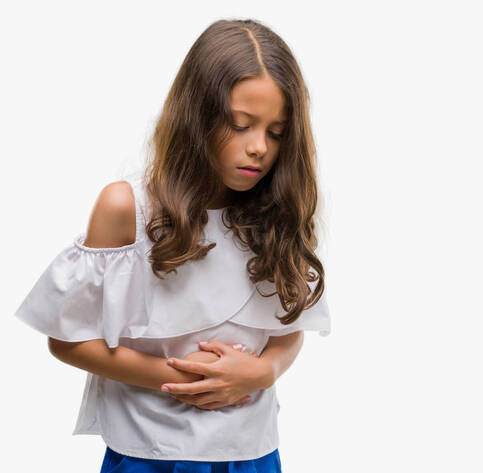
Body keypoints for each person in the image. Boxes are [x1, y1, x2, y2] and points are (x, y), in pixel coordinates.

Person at [13, 18, 331, 473]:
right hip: (150, 454)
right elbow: (67, 340)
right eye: (239, 125)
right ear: (196, 116)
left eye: (276, 132)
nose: (259, 147)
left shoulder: (274, 216)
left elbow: (288, 327)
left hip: (253, 454)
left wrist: (265, 371)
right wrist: (186, 379)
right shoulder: (128, 208)